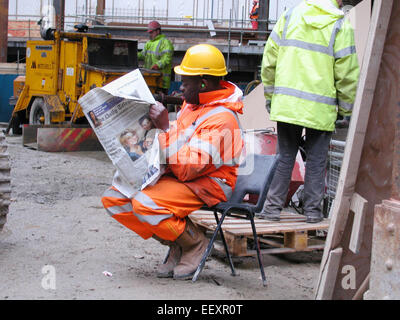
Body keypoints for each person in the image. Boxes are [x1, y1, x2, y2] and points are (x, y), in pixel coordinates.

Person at [102, 44, 244, 280]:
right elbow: (178, 151)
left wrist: (165, 128)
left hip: (210, 183)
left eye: (186, 81)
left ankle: (194, 244)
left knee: (144, 203)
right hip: (181, 174)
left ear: (203, 83)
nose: (181, 86)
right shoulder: (194, 104)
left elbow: (191, 168)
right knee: (115, 199)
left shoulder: (223, 118)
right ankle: (178, 242)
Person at [258, 0, 359, 223]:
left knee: (284, 156)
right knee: (316, 160)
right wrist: (345, 109)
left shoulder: (289, 16)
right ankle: (313, 213)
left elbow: (269, 61)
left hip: (287, 105)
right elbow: (347, 73)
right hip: (320, 108)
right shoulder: (340, 24)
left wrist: (270, 96)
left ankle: (271, 209)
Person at [138, 21, 174, 95]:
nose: (150, 34)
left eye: (151, 32)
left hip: (161, 81)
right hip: (149, 78)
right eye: (149, 33)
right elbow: (142, 55)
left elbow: (167, 58)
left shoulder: (165, 43)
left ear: (158, 31)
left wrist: (157, 65)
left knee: (160, 103)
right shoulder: (149, 43)